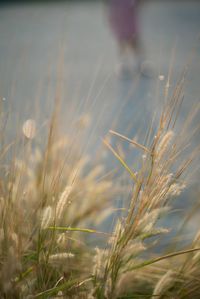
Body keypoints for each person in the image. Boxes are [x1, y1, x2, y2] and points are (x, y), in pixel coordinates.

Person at [107, 0, 143, 76]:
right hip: (118, 13)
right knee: (121, 40)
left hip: (128, 11)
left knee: (133, 39)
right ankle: (124, 64)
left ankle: (139, 63)